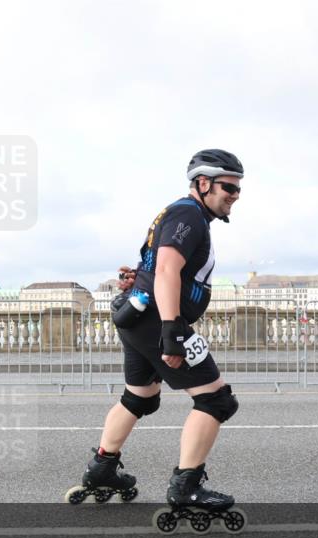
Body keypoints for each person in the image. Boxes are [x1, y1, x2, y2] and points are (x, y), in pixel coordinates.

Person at [74, 149, 244, 512]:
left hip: (139, 318)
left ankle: (102, 468)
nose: (235, 195)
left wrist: (140, 281)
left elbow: (157, 266)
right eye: (229, 187)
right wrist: (172, 332)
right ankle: (187, 487)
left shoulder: (179, 214)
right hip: (158, 321)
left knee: (140, 397)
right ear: (203, 183)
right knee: (216, 400)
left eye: (238, 189)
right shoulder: (189, 215)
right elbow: (167, 270)